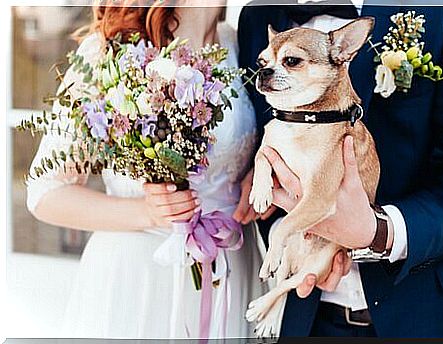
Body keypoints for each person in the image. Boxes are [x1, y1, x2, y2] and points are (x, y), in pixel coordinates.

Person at [236, 0, 443, 338]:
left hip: (428, 313)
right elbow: (271, 137)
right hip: (309, 314)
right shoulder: (258, 15)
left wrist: (377, 232)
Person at [26, 0, 266, 338]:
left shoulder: (243, 44)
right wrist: (148, 211)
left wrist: (261, 172)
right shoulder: (109, 50)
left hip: (231, 268)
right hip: (141, 275)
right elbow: (44, 193)